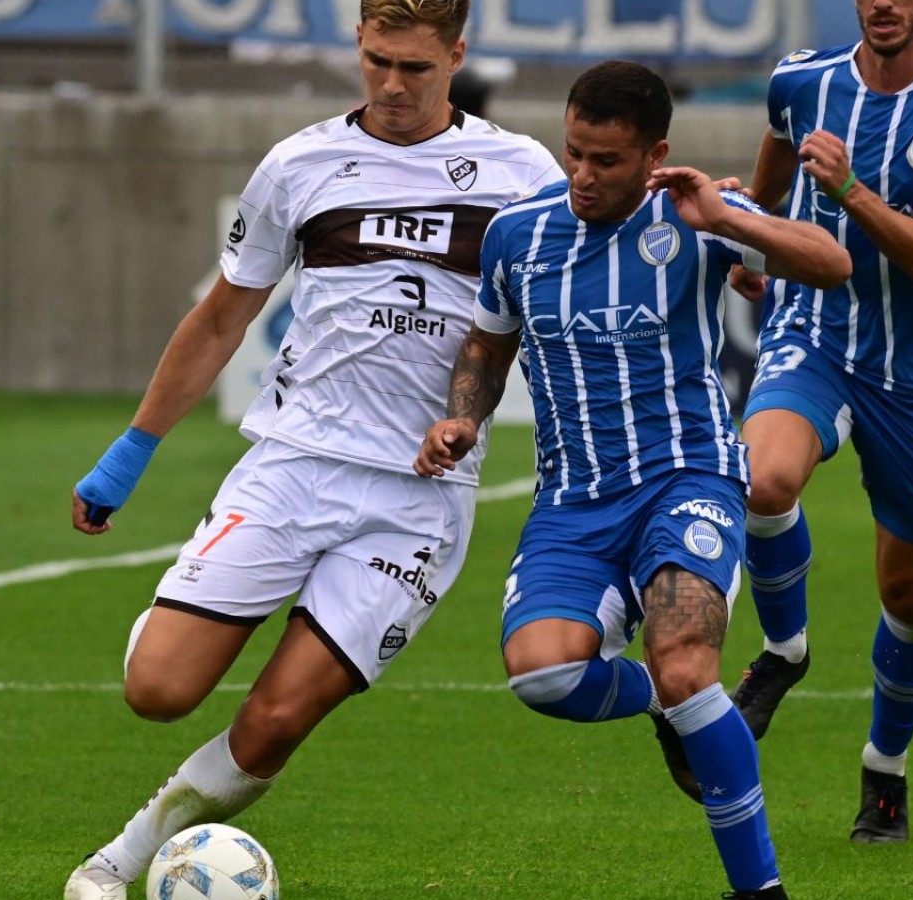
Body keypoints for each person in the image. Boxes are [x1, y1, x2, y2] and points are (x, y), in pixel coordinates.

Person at [61, 2, 561, 897]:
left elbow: (559, 314)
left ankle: (120, 859)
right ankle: (183, 612)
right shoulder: (299, 164)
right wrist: (131, 451)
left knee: (277, 720)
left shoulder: (522, 174)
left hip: (415, 502)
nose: (394, 86)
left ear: (457, 53)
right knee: (158, 690)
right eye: (377, 62)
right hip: (291, 466)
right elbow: (223, 317)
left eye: (415, 67)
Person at [415, 60, 850, 900]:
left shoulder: (691, 212)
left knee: (690, 664)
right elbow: (486, 344)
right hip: (573, 500)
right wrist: (463, 416)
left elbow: (831, 263)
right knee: (543, 675)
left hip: (687, 478)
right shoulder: (520, 233)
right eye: (573, 152)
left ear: (654, 155)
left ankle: (758, 889)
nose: (582, 175)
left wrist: (730, 218)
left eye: (606, 161)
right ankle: (663, 703)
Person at [725, 0, 913, 843]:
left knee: (910, 592)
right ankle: (784, 652)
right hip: (810, 337)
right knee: (763, 480)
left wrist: (847, 189)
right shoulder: (802, 80)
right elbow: (774, 154)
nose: (885, 3)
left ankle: (885, 769)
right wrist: (752, 247)